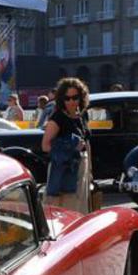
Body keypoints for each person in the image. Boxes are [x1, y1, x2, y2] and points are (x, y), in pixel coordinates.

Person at [41, 77, 93, 214]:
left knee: (79, 208)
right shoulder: (58, 117)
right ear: (61, 99)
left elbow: (86, 142)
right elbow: (45, 146)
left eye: (75, 97)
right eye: (67, 98)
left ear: (81, 98)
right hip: (64, 169)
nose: (71, 101)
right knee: (64, 210)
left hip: (81, 166)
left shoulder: (82, 115)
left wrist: (90, 172)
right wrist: (71, 148)